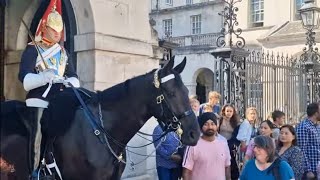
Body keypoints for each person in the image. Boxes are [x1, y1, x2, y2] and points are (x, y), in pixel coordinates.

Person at [18, 0, 80, 179]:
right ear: (44, 28)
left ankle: (58, 162)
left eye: (59, 30)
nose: (57, 34)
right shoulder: (32, 50)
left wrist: (69, 81)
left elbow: (74, 76)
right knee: (37, 137)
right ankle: (34, 171)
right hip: (38, 98)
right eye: (54, 30)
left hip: (59, 100)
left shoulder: (63, 53)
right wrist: (43, 77)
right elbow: (24, 79)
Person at [182, 112, 231, 180]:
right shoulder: (193, 145)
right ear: (201, 126)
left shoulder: (223, 143)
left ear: (216, 126)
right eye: (206, 124)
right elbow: (186, 171)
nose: (210, 127)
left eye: (212, 124)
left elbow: (227, 167)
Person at [296, 102, 320, 180]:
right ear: (316, 113)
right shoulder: (304, 127)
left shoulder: (317, 126)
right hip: (310, 171)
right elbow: (301, 150)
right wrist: (308, 170)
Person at [219, 104, 241, 180]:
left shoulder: (236, 122)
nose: (229, 113)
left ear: (233, 112)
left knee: (230, 161)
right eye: (227, 111)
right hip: (219, 143)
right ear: (224, 111)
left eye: (231, 111)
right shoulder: (220, 120)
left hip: (229, 144)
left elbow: (236, 136)